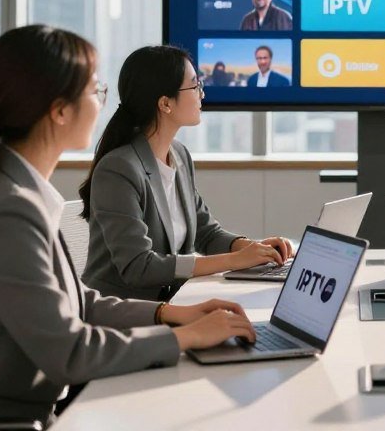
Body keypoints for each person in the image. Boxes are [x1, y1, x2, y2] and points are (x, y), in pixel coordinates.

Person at [0, 26, 255, 427]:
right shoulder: (9, 211)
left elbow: (83, 304)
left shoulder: (20, 193)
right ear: (59, 111)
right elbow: (70, 352)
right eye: (95, 90)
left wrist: (172, 314)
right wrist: (186, 337)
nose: (102, 103)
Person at [80, 45, 292, 301]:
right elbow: (139, 267)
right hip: (118, 311)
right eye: (195, 85)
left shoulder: (179, 155)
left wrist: (253, 248)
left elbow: (206, 233)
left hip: (171, 302)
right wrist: (235, 260)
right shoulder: (119, 169)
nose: (202, 93)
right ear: (165, 103)